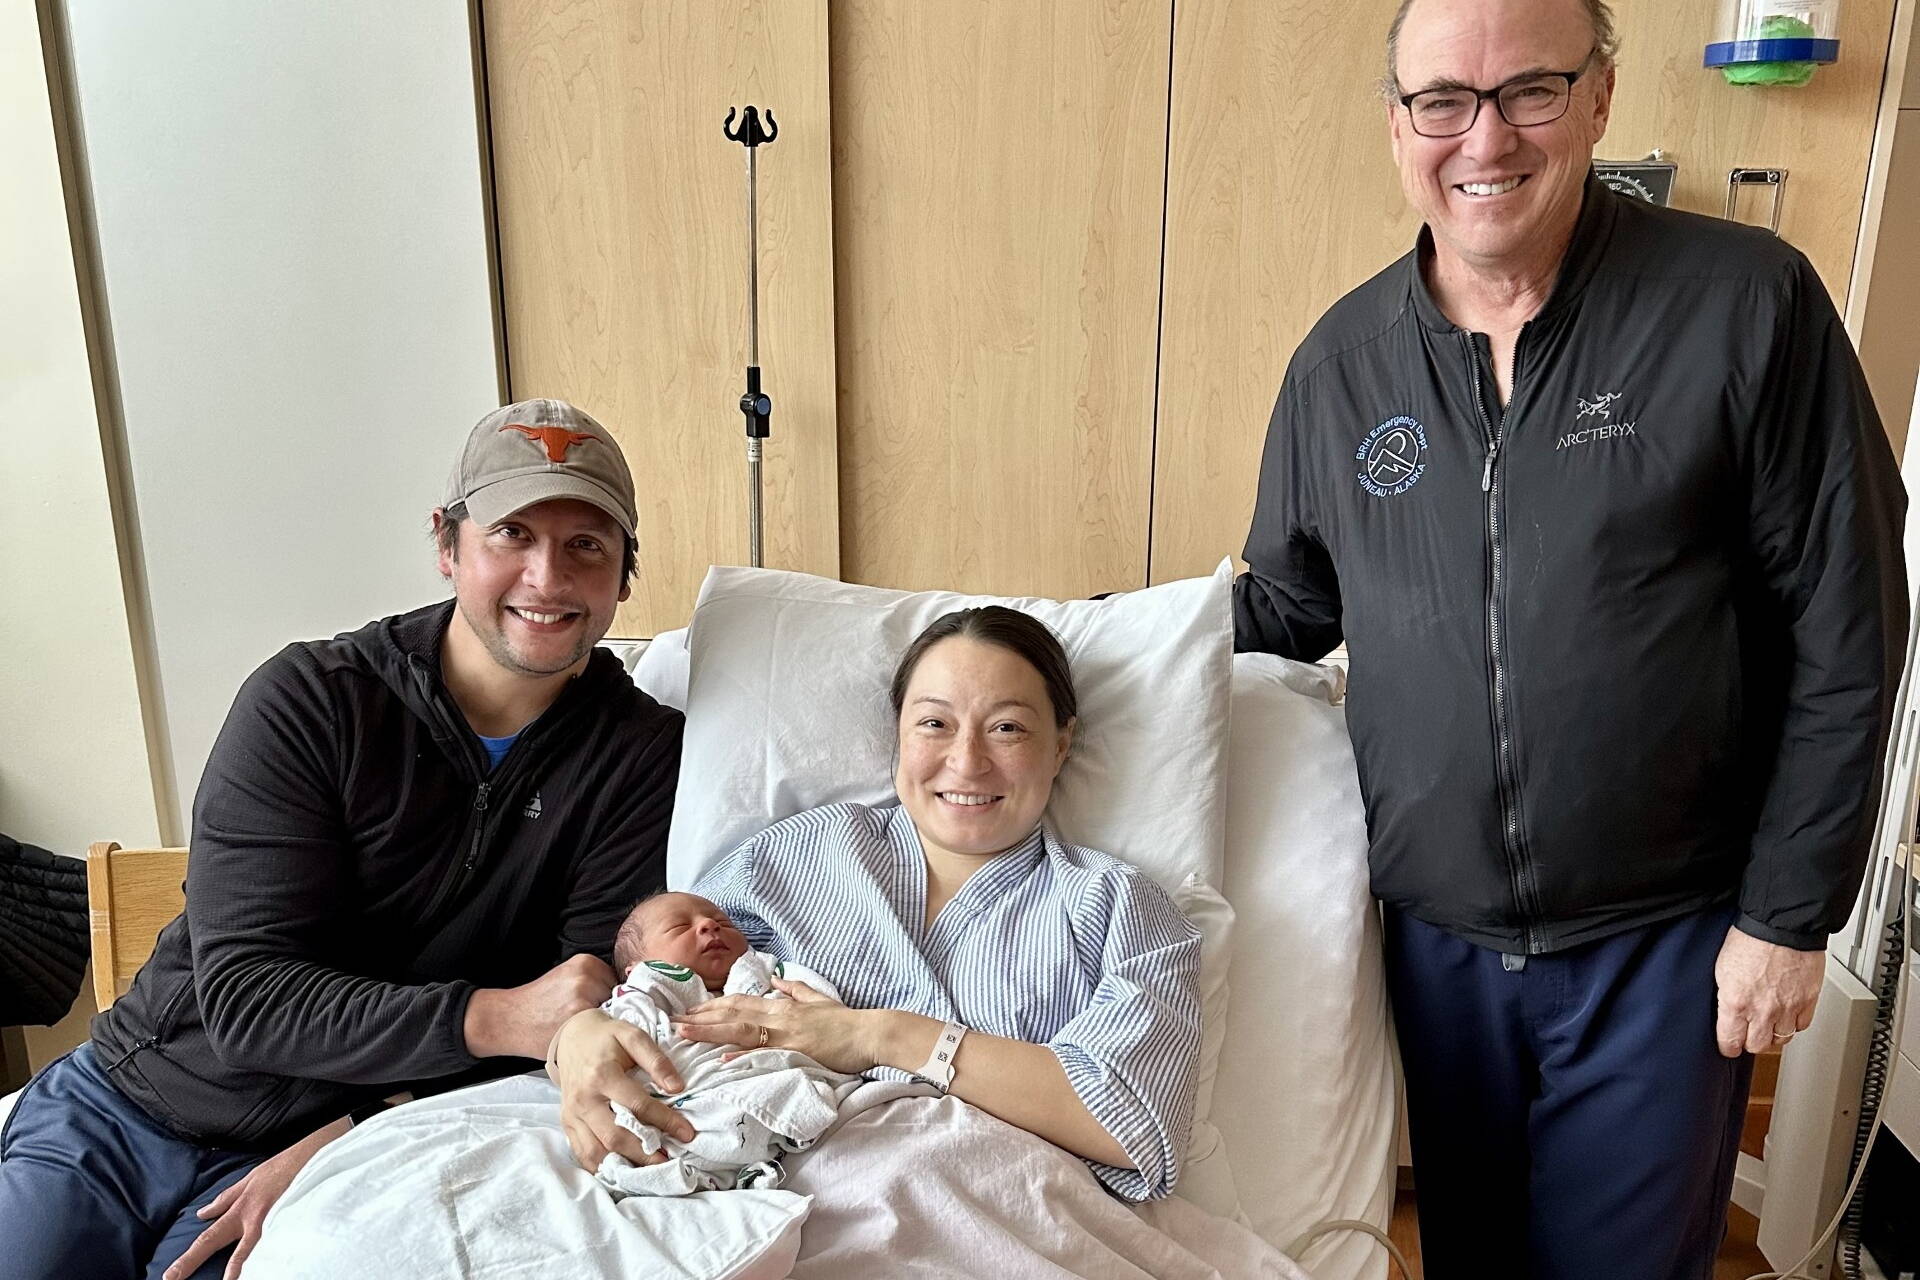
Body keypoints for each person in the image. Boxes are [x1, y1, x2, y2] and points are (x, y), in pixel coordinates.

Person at [1232, 0, 1909, 1274]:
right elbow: (1285, 606)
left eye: (1529, 90)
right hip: (1434, 946)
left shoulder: (1743, 306)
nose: (1482, 136)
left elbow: (1849, 617)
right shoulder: (1342, 367)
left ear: (1600, 97)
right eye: (1443, 100)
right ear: (1398, 126)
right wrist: (1047, 646)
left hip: (1665, 943)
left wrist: (1789, 913)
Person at [0, 398, 689, 1280]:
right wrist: (498, 1015)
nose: (546, 579)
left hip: (349, 1139)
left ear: (625, 575)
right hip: (132, 1106)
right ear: (447, 544)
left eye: (586, 545)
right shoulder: (310, 701)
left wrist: (346, 1136)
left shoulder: (638, 757)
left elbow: (576, 1015)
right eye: (511, 533)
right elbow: (249, 999)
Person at [548, 605, 1204, 1203]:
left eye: (1007, 727)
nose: (967, 761)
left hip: (971, 1207)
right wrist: (575, 1035)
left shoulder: (1118, 907)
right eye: (934, 724)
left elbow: (1129, 1119)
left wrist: (876, 1035)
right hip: (745, 1188)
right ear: (899, 736)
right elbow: (654, 966)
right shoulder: (800, 851)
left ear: (1062, 743)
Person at [591, 891, 856, 1197]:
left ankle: (743, 1157)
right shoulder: (643, 993)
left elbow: (826, 1013)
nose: (708, 925)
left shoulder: (766, 973)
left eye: (722, 922)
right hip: (677, 1098)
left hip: (758, 1082)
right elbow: (619, 1030)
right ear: (636, 968)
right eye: (679, 927)